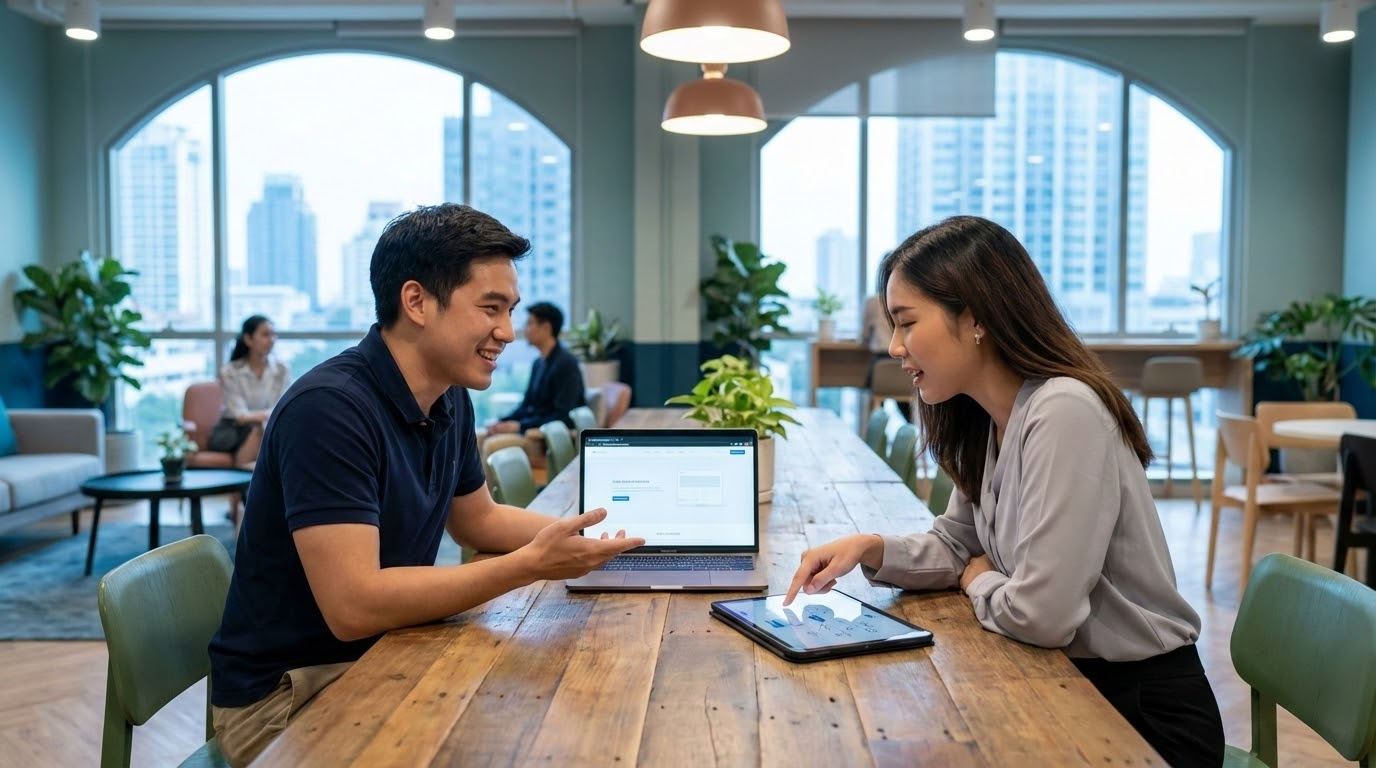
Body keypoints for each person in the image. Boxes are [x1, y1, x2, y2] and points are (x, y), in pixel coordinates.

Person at [207, 203, 644, 767]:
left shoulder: (446, 394)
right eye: (490, 308)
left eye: (510, 311)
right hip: (288, 694)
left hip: (381, 653)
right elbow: (354, 606)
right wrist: (532, 563)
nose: (507, 332)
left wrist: (603, 541)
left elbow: (479, 520)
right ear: (416, 302)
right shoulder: (329, 410)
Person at [785, 215, 1224, 767]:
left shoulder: (1065, 411)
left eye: (906, 322)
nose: (895, 346)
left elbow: (1044, 615)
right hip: (1069, 683)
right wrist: (872, 548)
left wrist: (982, 578)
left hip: (1140, 715)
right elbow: (955, 545)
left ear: (974, 318)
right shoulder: (988, 418)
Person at [484, 302, 588, 467]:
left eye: (530, 323)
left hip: (542, 437)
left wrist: (518, 426)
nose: (526, 329)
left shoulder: (566, 364)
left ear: (546, 328)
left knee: (491, 446)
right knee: (479, 435)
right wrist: (502, 422)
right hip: (529, 427)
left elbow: (562, 415)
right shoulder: (538, 364)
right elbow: (527, 405)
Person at [214, 315, 290, 467]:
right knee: (258, 429)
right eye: (265, 335)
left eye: (273, 335)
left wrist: (265, 420)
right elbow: (240, 416)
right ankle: (246, 481)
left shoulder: (281, 369)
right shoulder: (230, 371)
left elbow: (281, 406)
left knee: (267, 428)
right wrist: (265, 419)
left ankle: (246, 483)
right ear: (248, 339)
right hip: (233, 430)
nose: (272, 340)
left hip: (269, 426)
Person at [861, 268, 910, 420]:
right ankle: (913, 429)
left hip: (881, 362)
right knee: (903, 401)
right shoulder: (910, 301)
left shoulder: (873, 302)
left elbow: (864, 335)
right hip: (906, 367)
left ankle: (874, 429)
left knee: (872, 393)